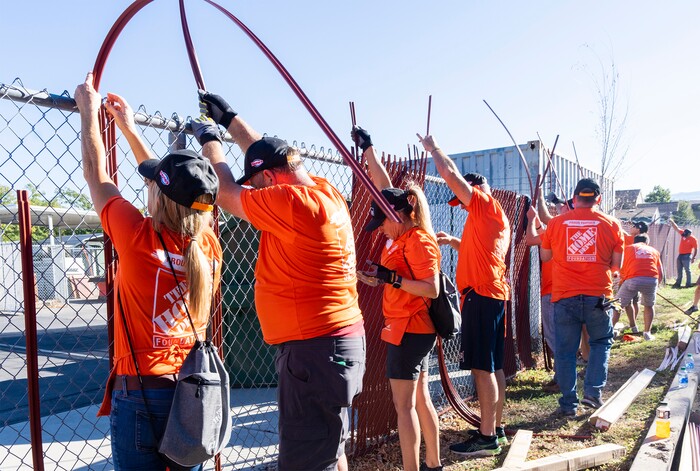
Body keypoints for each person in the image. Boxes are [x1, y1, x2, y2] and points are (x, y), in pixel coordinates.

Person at [193, 91, 365, 471]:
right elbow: (271, 152)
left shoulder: (292, 203)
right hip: (334, 343)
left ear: (271, 178)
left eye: (258, 185)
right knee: (330, 448)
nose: (255, 195)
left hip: (314, 351)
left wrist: (211, 142)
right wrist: (230, 118)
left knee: (305, 461)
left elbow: (226, 193)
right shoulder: (323, 191)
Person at [75, 73, 222, 471]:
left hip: (142, 394)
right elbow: (165, 184)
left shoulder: (137, 235)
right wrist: (129, 128)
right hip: (191, 394)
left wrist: (89, 112)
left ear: (156, 195)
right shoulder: (207, 246)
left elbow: (95, 173)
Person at [351, 127, 442, 471]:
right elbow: (384, 185)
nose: (382, 229)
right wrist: (369, 148)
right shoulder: (400, 232)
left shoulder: (419, 239)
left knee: (403, 407)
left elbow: (430, 288)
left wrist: (391, 278)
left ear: (401, 215)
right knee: (419, 400)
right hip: (405, 327)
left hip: (410, 329)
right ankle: (432, 464)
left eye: (384, 223)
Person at [417, 134, 510, 457]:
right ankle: (494, 427)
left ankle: (486, 438)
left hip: (482, 297)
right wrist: (455, 242)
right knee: (493, 365)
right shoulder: (493, 217)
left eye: (463, 199)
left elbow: (451, 175)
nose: (463, 206)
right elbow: (484, 253)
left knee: (482, 368)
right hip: (492, 295)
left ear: (476, 191)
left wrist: (433, 150)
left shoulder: (484, 206)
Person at [540, 178, 624, 416]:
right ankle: (592, 394)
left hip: (564, 295)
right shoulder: (612, 224)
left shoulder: (556, 223)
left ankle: (568, 404)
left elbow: (546, 256)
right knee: (599, 343)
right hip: (598, 295)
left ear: (575, 199)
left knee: (566, 351)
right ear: (598, 199)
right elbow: (616, 266)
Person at [615, 234, 663, 340]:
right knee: (649, 306)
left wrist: (624, 279)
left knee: (617, 305)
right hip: (651, 279)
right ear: (647, 242)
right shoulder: (654, 251)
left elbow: (620, 266)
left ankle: (609, 331)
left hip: (632, 279)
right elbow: (660, 271)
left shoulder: (627, 249)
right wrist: (657, 284)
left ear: (634, 241)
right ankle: (647, 333)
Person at [669, 218, 697, 288]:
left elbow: (696, 249)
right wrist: (672, 222)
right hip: (680, 254)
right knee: (679, 269)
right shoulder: (683, 234)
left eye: (685, 235)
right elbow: (677, 228)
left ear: (689, 234)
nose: (684, 236)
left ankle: (688, 283)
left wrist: (693, 257)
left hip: (687, 255)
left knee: (687, 270)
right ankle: (678, 283)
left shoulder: (693, 239)